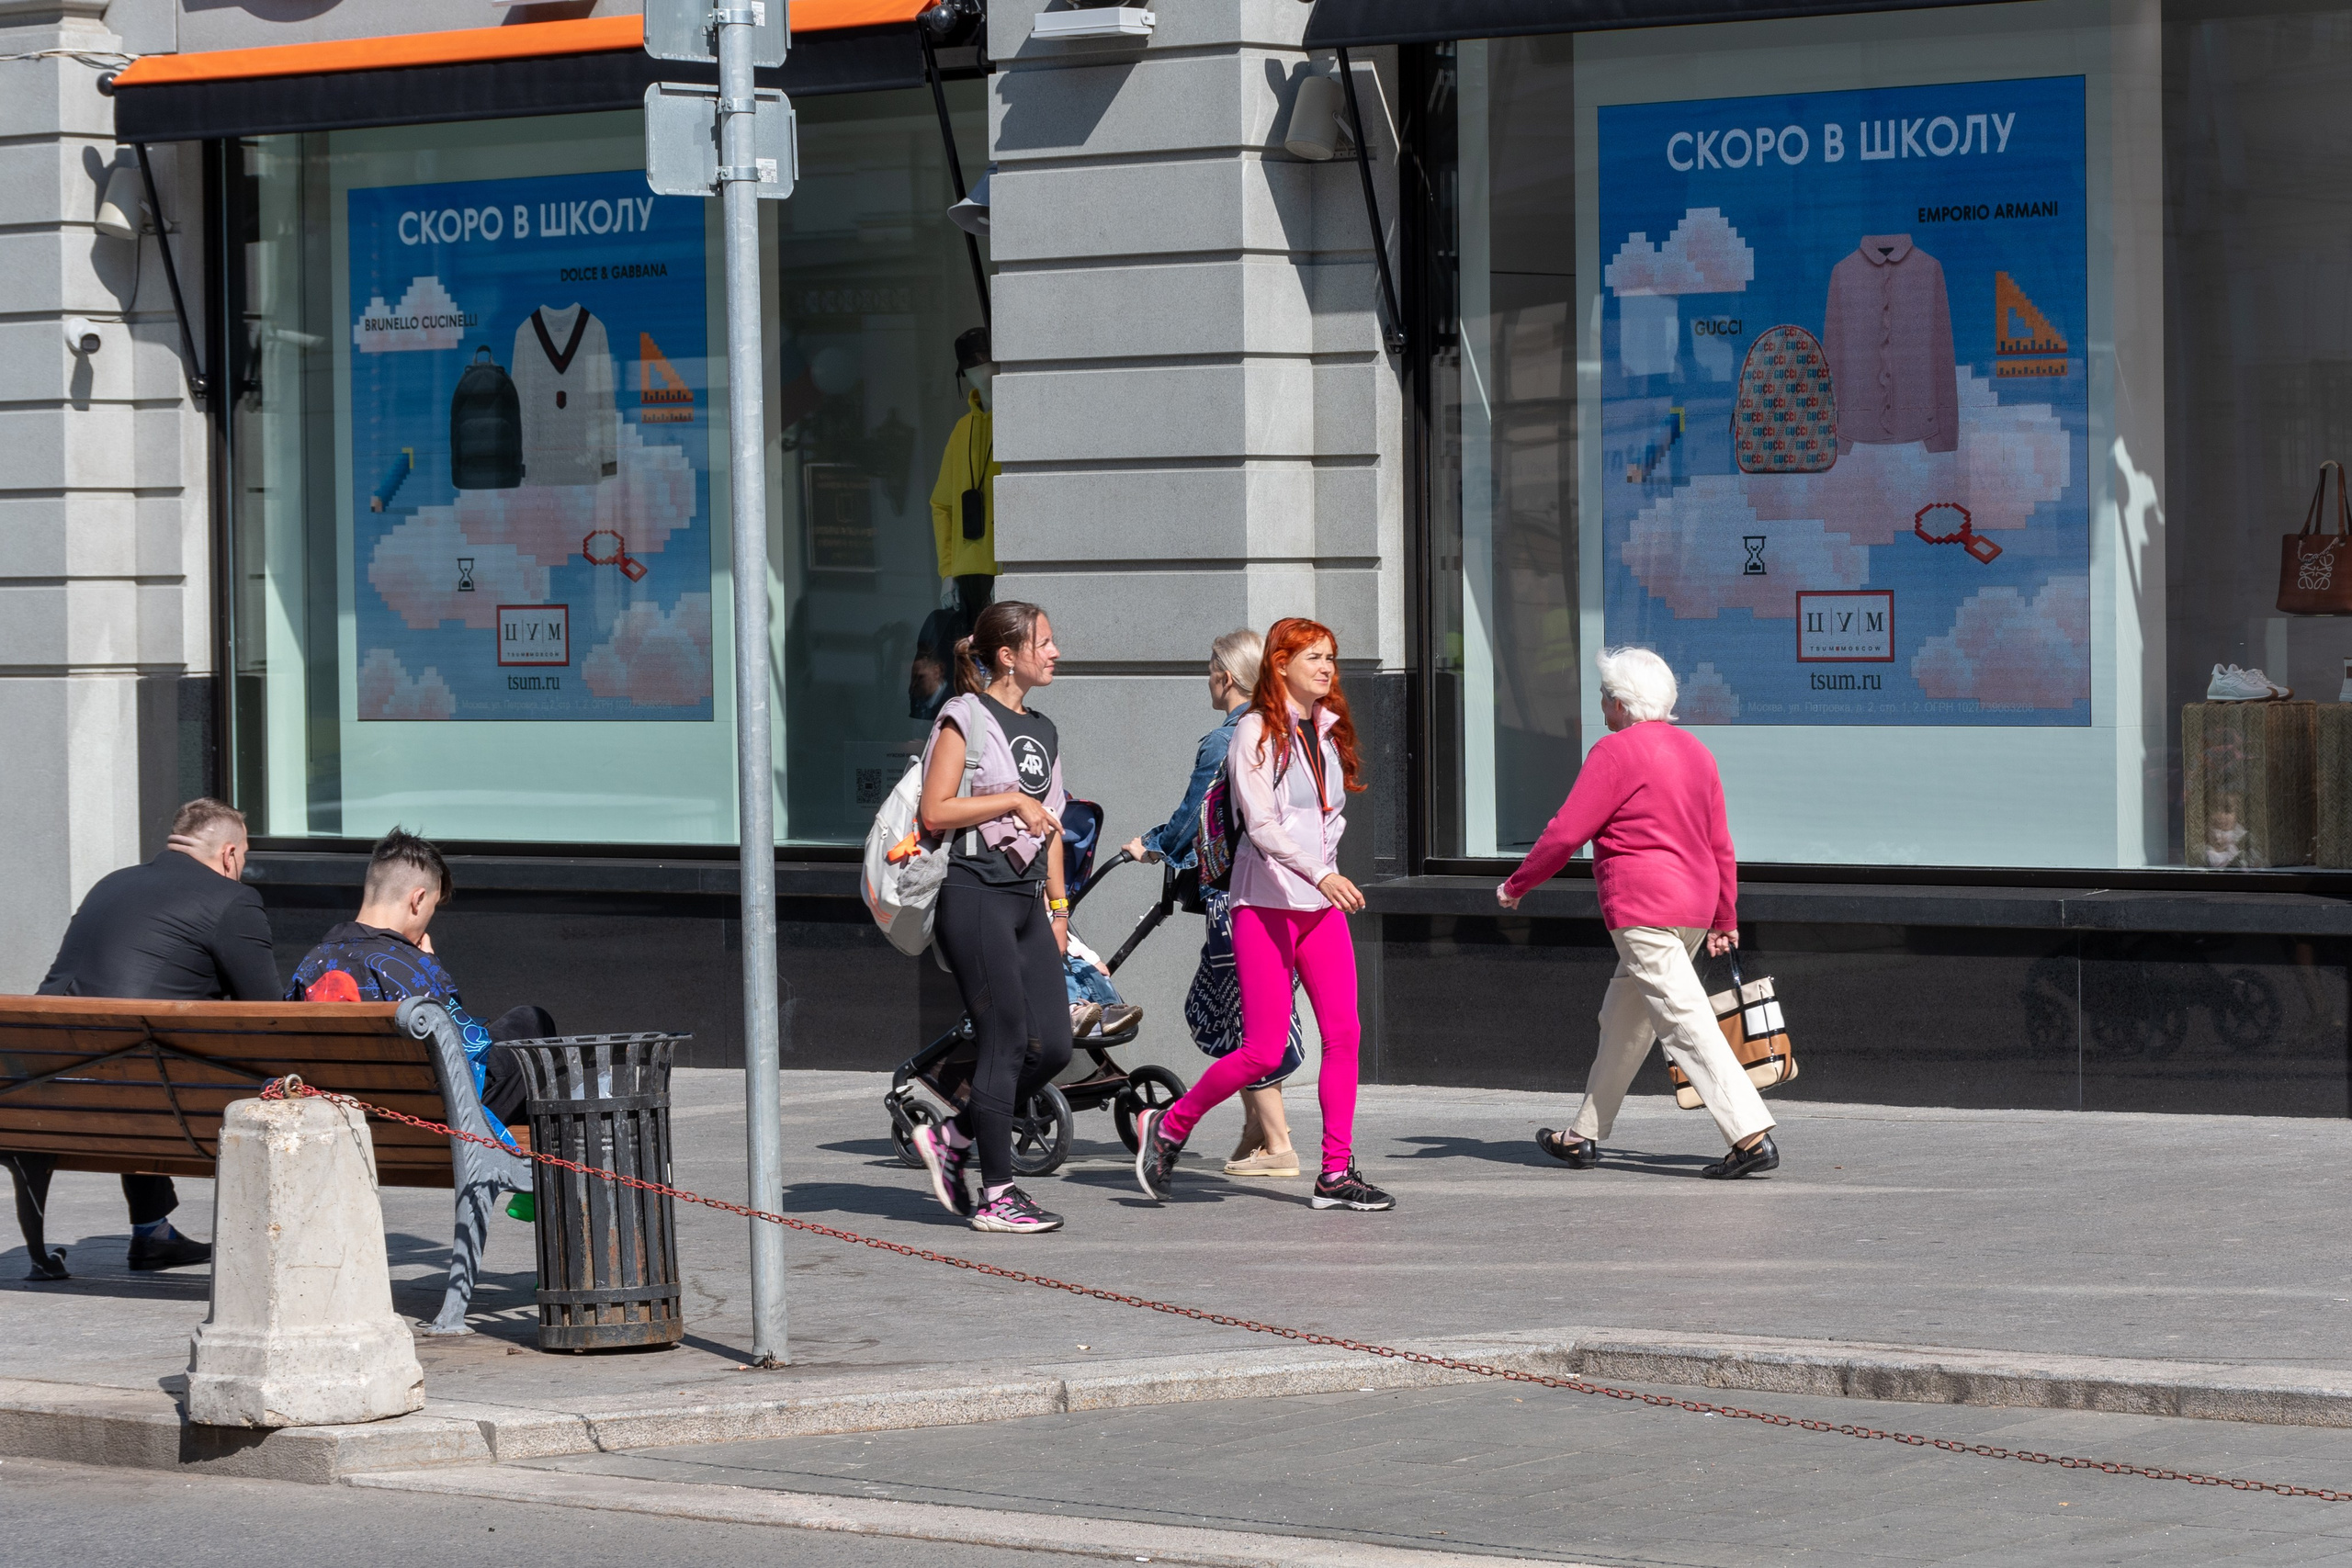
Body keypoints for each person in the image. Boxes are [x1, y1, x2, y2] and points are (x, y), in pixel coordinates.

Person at [1135, 618, 1392, 1212]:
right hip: (1266, 904)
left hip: (1318, 906)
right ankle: (1172, 1123)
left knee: (1344, 1035)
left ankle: (1334, 1172)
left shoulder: (1323, 730)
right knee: (1264, 1049)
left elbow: (1328, 816)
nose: (1327, 668)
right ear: (1280, 665)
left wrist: (1326, 869)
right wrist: (1322, 871)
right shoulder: (1252, 731)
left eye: (1331, 657)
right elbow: (1262, 825)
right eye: (1313, 658)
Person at [1496, 646, 1779, 1179]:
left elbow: (1566, 831)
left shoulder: (1615, 751)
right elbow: (1720, 842)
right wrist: (1725, 916)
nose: (1601, 705)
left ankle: (1749, 1135)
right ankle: (1582, 1135)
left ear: (1621, 704)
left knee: (1682, 1019)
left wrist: (1518, 884)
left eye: (1604, 696)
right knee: (1625, 1021)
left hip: (1642, 907)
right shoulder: (1696, 751)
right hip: (1694, 906)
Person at [11, 798, 280, 1276]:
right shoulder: (232, 900)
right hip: (150, 1098)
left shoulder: (111, 884)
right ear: (229, 854)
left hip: (42, 1090)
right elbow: (270, 1016)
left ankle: (152, 1232)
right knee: (261, 1075)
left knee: (132, 1055)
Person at [908, 600, 1077, 1234]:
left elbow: (1052, 822)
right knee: (1005, 1037)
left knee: (1054, 1044)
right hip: (972, 891)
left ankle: (953, 1134)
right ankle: (998, 1196)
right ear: (1009, 655)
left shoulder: (1046, 729)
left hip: (1026, 899)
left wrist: (1059, 907)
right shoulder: (964, 717)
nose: (1056, 652)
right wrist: (1009, 799)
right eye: (1046, 642)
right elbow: (935, 810)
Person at [1122, 627, 1304, 1178]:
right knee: (1253, 1013)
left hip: (1235, 899)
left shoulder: (1225, 738)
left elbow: (1190, 818)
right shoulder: (1286, 729)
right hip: (1288, 897)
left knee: (1233, 1016)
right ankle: (1258, 1134)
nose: (1208, 678)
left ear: (1225, 674)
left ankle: (1278, 1144)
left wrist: (1150, 847)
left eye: (1210, 669)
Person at [283, 829, 553, 1149]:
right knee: (533, 1023)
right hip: (433, 1124)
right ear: (418, 899)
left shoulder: (310, 963)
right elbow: (467, 1055)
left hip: (344, 1118)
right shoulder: (413, 965)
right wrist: (433, 966)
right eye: (432, 908)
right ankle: (534, 1185)